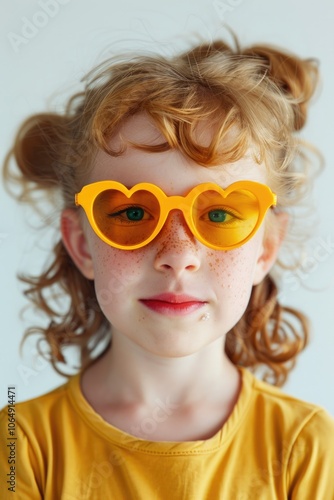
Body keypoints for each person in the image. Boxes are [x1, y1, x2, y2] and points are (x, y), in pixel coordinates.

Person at [1, 36, 334, 499]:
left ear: (264, 248)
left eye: (218, 214)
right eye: (134, 213)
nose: (178, 254)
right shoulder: (19, 445)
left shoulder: (308, 448)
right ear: (80, 243)